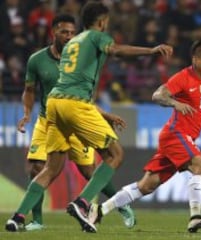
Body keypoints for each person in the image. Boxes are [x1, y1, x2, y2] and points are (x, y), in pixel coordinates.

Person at [5, 1, 173, 233]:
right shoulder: (95, 36)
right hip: (76, 105)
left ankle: (17, 217)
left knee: (51, 169)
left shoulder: (73, 44)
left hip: (54, 105)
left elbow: (70, 81)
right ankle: (82, 203)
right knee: (115, 154)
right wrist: (151, 50)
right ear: (102, 21)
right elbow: (117, 51)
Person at [87, 40, 201, 233]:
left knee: (146, 186)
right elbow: (158, 95)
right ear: (196, 60)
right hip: (175, 134)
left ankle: (99, 210)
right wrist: (175, 103)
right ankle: (195, 216)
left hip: (180, 138)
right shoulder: (183, 77)